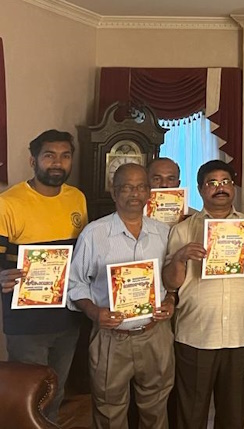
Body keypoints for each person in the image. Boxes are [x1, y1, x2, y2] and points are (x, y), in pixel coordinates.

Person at [162, 160, 244, 429]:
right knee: (190, 413)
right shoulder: (183, 229)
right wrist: (180, 257)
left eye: (226, 182)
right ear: (200, 189)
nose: (220, 188)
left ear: (233, 187)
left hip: (239, 331)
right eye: (212, 183)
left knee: (232, 412)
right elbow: (170, 283)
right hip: (196, 333)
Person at [67, 163, 175, 428]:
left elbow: (171, 280)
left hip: (155, 333)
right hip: (111, 337)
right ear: (114, 193)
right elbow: (75, 283)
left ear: (148, 192)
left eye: (140, 187)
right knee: (109, 410)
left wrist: (171, 300)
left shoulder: (164, 233)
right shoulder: (94, 233)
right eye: (126, 187)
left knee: (156, 407)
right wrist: (94, 312)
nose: (134, 193)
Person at [0, 129, 88, 422]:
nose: (57, 163)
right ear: (33, 160)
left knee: (57, 392)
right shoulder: (8, 202)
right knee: (27, 394)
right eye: (49, 155)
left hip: (68, 316)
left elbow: (81, 255)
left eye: (65, 156)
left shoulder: (77, 199)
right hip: (26, 321)